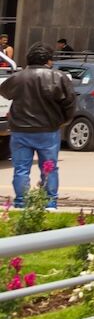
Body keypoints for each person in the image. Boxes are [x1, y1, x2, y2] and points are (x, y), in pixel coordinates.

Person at [0, 44, 76, 208]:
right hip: (48, 130)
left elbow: (4, 91)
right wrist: (63, 121)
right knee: (49, 168)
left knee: (21, 169)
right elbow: (69, 103)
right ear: (48, 61)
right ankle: (50, 203)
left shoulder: (19, 77)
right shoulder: (59, 77)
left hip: (20, 130)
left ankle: (21, 203)